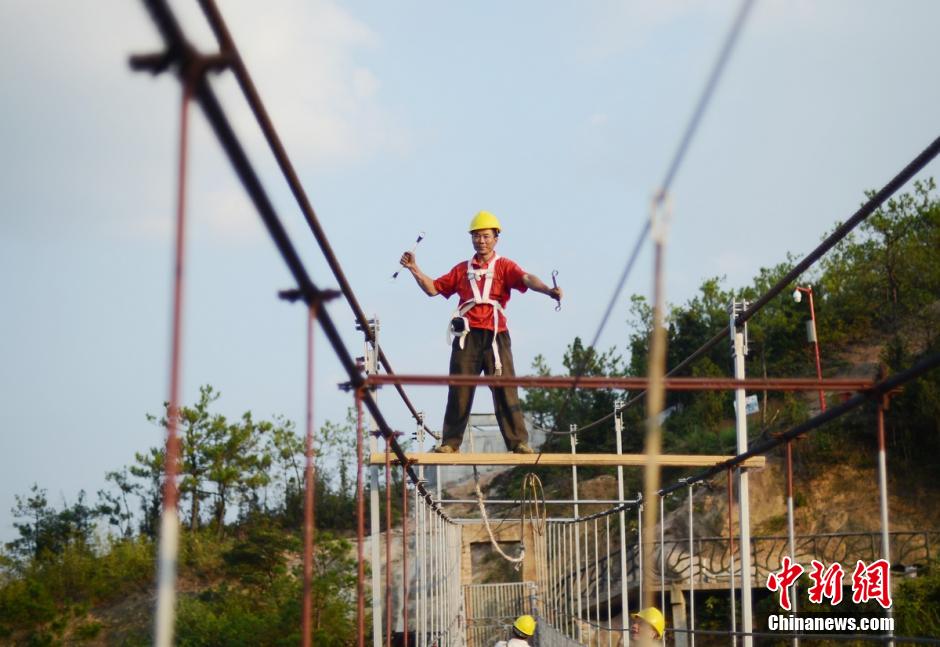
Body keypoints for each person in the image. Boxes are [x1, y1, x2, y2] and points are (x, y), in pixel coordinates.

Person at [399, 211, 562, 454]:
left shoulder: (504, 266)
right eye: (476, 236)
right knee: (460, 387)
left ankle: (518, 442)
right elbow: (433, 289)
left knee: (505, 387)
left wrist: (548, 290)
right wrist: (414, 268)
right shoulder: (462, 269)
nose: (481, 241)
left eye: (486, 236)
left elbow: (527, 278)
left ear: (496, 238)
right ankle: (450, 443)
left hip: (496, 335)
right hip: (468, 337)